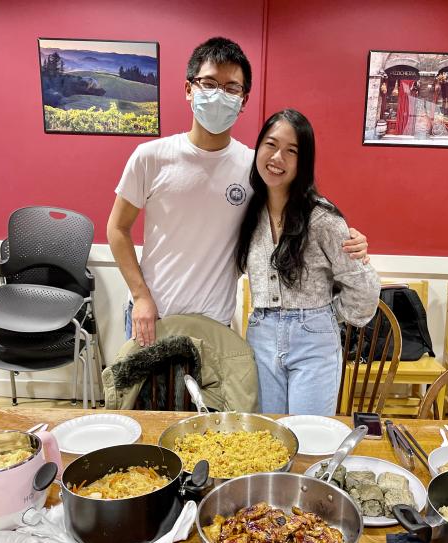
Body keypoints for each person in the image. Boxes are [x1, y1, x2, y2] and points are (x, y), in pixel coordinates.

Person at [107, 37, 368, 348]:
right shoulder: (150, 157)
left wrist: (349, 239)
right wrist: (140, 296)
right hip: (153, 316)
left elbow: (298, 211)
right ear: (189, 89)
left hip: (213, 324)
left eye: (231, 88)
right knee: (142, 399)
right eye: (209, 83)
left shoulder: (254, 168)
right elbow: (117, 228)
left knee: (210, 400)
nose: (220, 94)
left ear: (244, 100)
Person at [236, 109, 380, 416]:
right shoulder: (248, 213)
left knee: (309, 440)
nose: (277, 158)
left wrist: (323, 317)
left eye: (291, 151)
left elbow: (364, 294)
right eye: (271, 145)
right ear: (258, 148)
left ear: (304, 162)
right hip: (260, 337)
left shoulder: (323, 218)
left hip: (314, 343)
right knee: (269, 438)